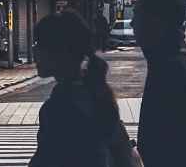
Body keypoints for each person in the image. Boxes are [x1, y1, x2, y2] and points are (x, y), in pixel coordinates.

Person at [28, 11, 136, 167]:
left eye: (39, 44)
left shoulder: (59, 108)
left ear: (60, 51)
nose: (34, 50)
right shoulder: (96, 93)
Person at [132, 0, 186, 166]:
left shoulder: (172, 70)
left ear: (156, 20)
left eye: (137, 15)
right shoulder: (174, 60)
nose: (132, 24)